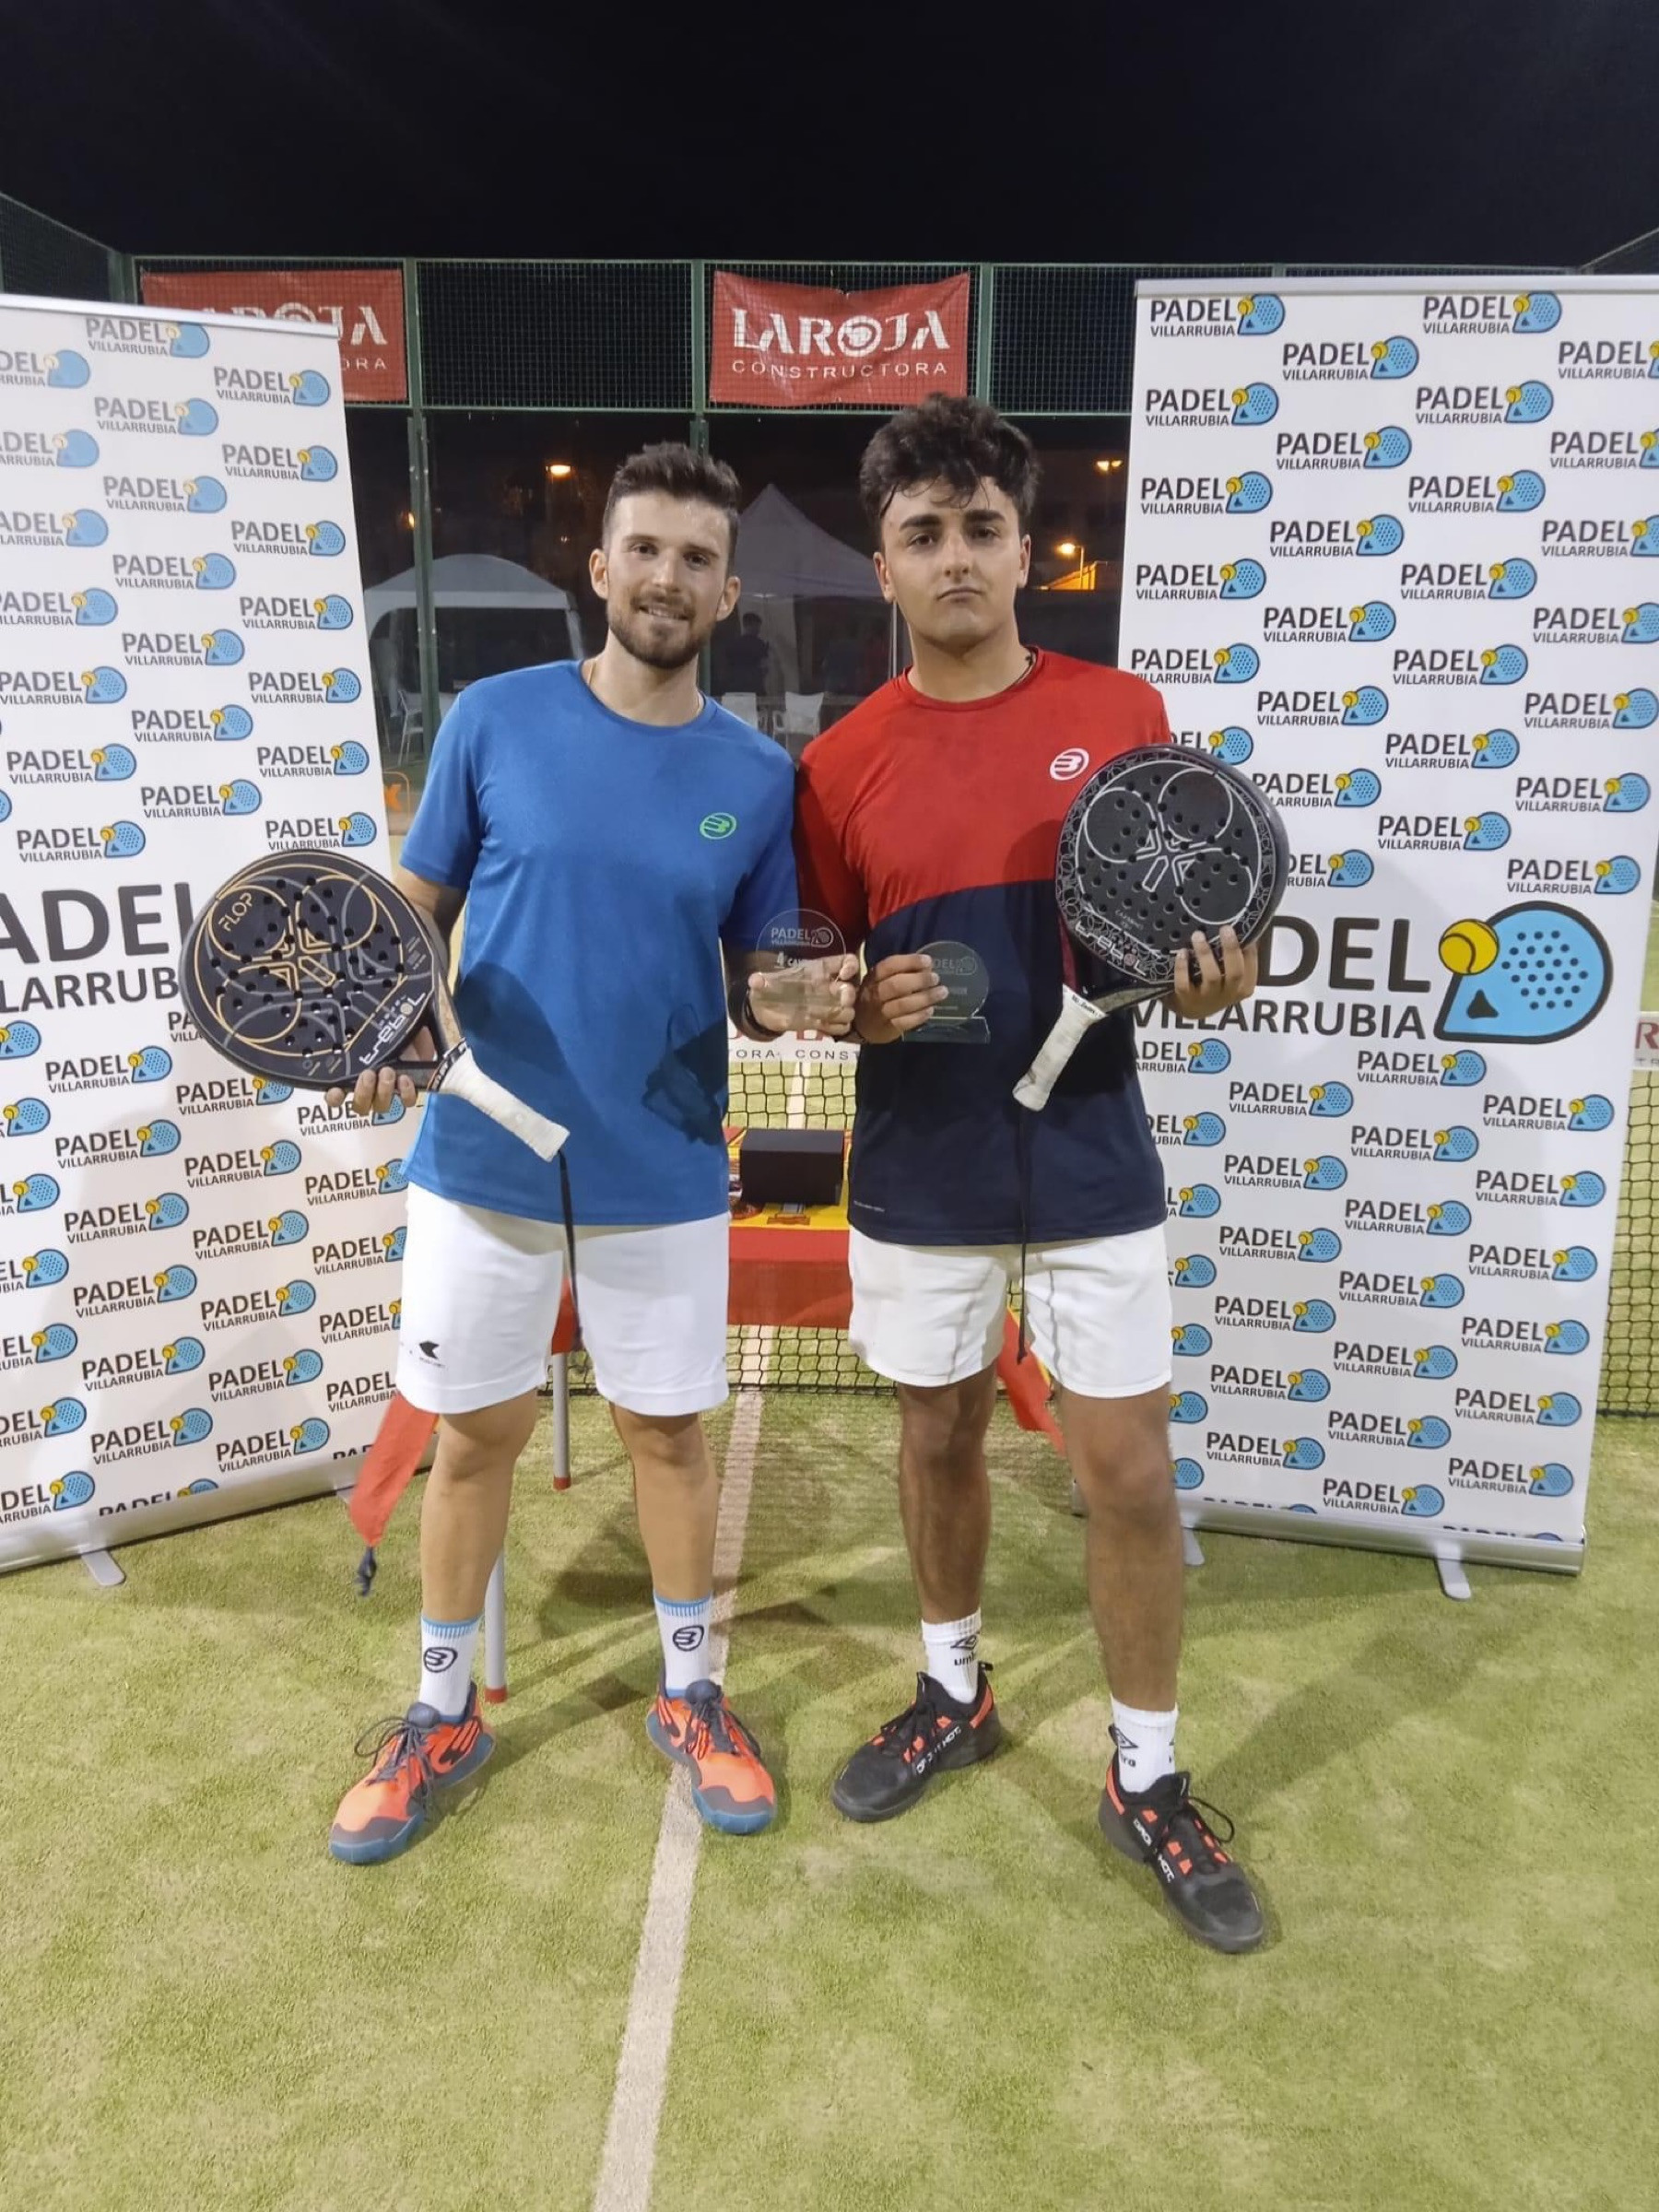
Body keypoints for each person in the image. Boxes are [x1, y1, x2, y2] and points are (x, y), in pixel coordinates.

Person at [327, 441, 854, 1865]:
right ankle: (441, 1712)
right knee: (474, 1440)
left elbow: (760, 975)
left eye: (699, 558)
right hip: (482, 1161)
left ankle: (691, 1694)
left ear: (727, 592)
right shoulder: (494, 719)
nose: (669, 577)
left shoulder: (757, 775)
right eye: (648, 550)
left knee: (666, 1436)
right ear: (602, 564)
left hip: (662, 1163)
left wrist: (790, 1000)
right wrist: (387, 1019)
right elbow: (416, 910)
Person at [794, 395, 1265, 1953]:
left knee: (1127, 1474)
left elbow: (1205, 932)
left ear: (1024, 550)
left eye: (981, 527)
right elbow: (810, 973)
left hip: (1091, 1154)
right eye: (923, 533)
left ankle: (1148, 1774)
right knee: (938, 1435)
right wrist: (849, 1004)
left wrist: (1223, 982)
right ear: (883, 564)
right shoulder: (837, 763)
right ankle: (954, 1692)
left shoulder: (1125, 712)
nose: (956, 557)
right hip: (918, 1163)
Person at [721, 608, 772, 697]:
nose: (759, 630)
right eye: (757, 626)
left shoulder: (733, 644)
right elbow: (764, 666)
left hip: (735, 686)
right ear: (751, 625)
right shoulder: (759, 644)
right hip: (754, 686)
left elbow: (726, 666)